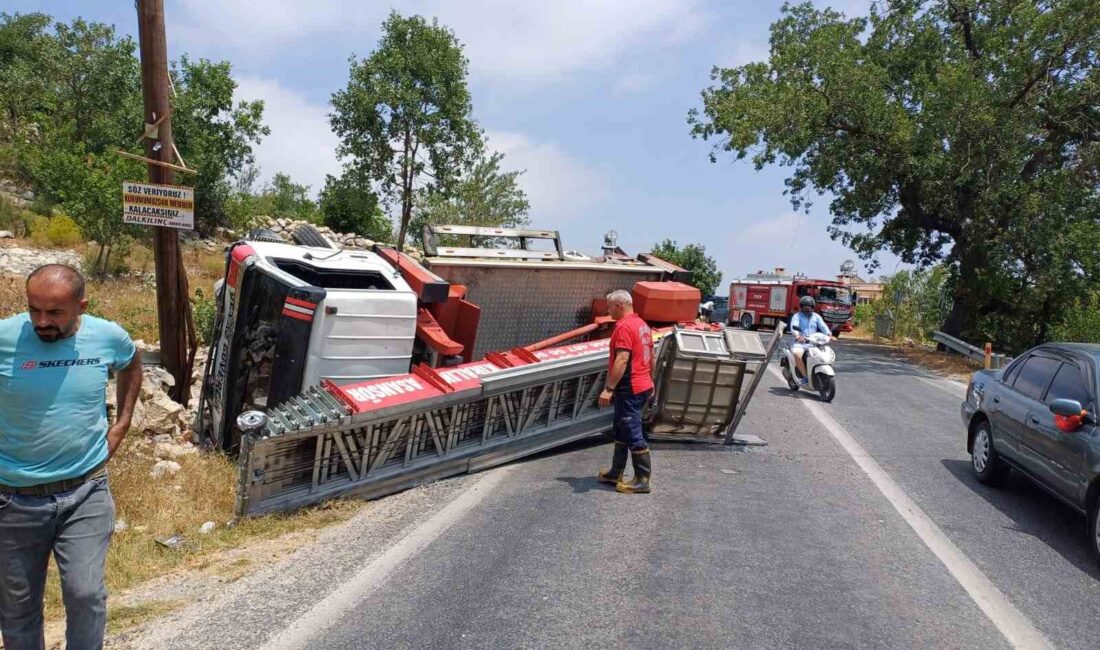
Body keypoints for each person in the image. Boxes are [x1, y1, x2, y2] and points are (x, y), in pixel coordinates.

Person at [0, 264, 142, 650]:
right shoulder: (5, 338)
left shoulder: (107, 336)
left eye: (54, 313)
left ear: (81, 306)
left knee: (85, 595)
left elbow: (130, 362)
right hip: (13, 499)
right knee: (17, 608)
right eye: (34, 310)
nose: (42, 322)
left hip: (86, 492)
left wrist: (122, 423)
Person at [597, 290, 654, 494]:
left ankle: (642, 479)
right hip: (642, 383)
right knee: (620, 428)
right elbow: (650, 356)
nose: (608, 310)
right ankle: (616, 472)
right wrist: (651, 380)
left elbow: (622, 359)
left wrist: (608, 389)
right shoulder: (642, 325)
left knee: (631, 430)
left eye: (610, 306)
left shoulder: (623, 327)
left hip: (630, 387)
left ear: (619, 306)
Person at [789, 295, 831, 385]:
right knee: (797, 354)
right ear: (802, 306)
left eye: (809, 306)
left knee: (823, 356)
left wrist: (829, 334)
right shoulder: (797, 316)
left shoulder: (816, 316)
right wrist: (797, 336)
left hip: (813, 344)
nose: (808, 308)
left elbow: (823, 326)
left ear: (813, 306)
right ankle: (805, 377)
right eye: (805, 306)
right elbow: (794, 327)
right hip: (800, 343)